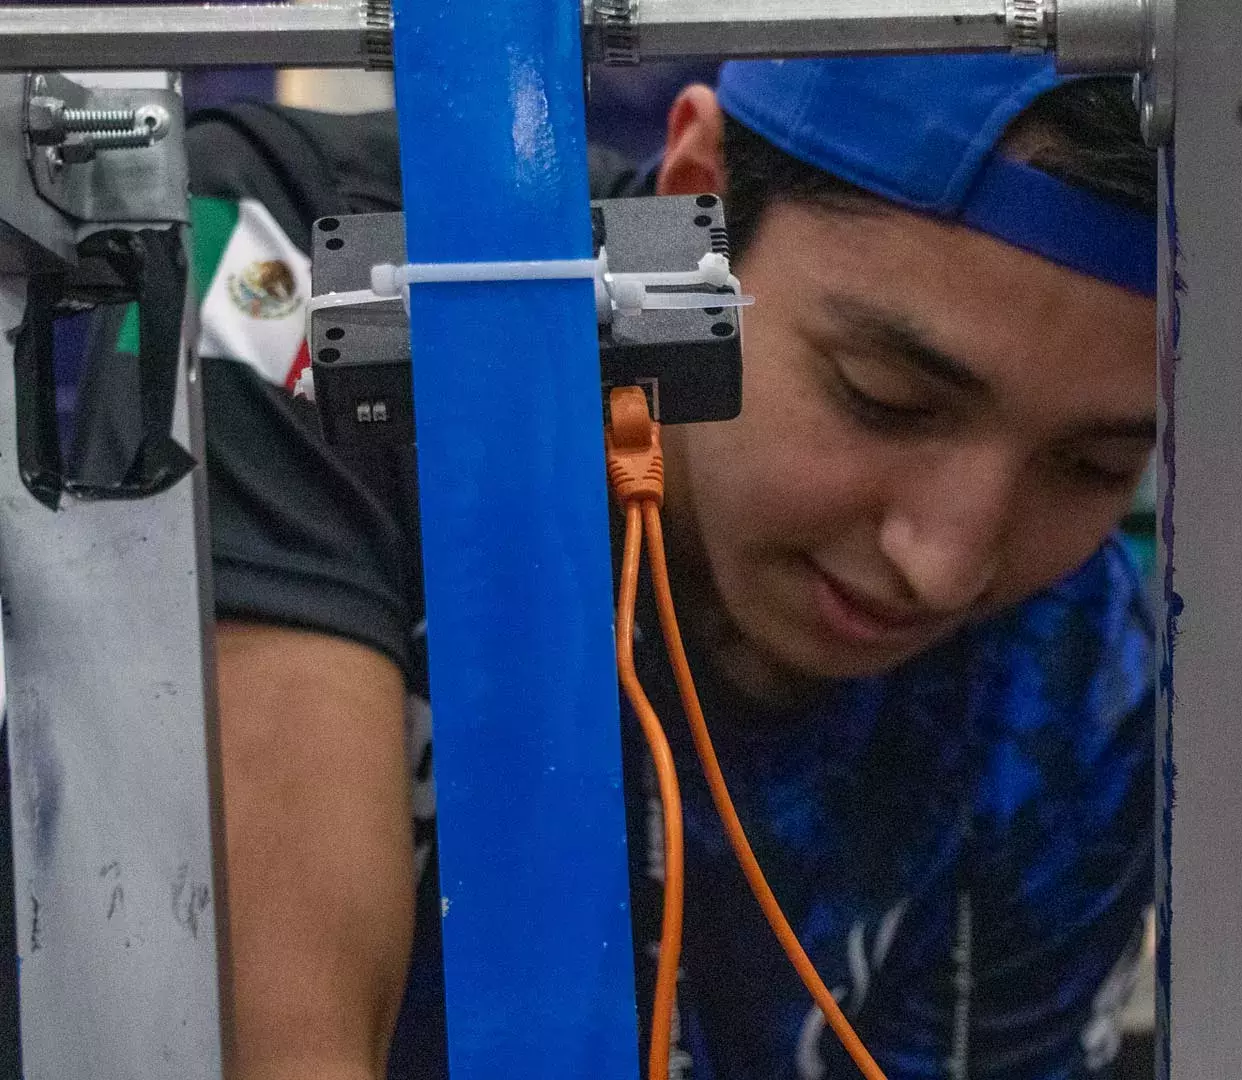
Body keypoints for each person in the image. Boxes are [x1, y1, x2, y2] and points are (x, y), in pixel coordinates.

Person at [173, 55, 1157, 1080]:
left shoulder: (1069, 679)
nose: (946, 567)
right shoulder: (295, 282)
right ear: (701, 196)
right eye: (886, 398)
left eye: (1090, 468)